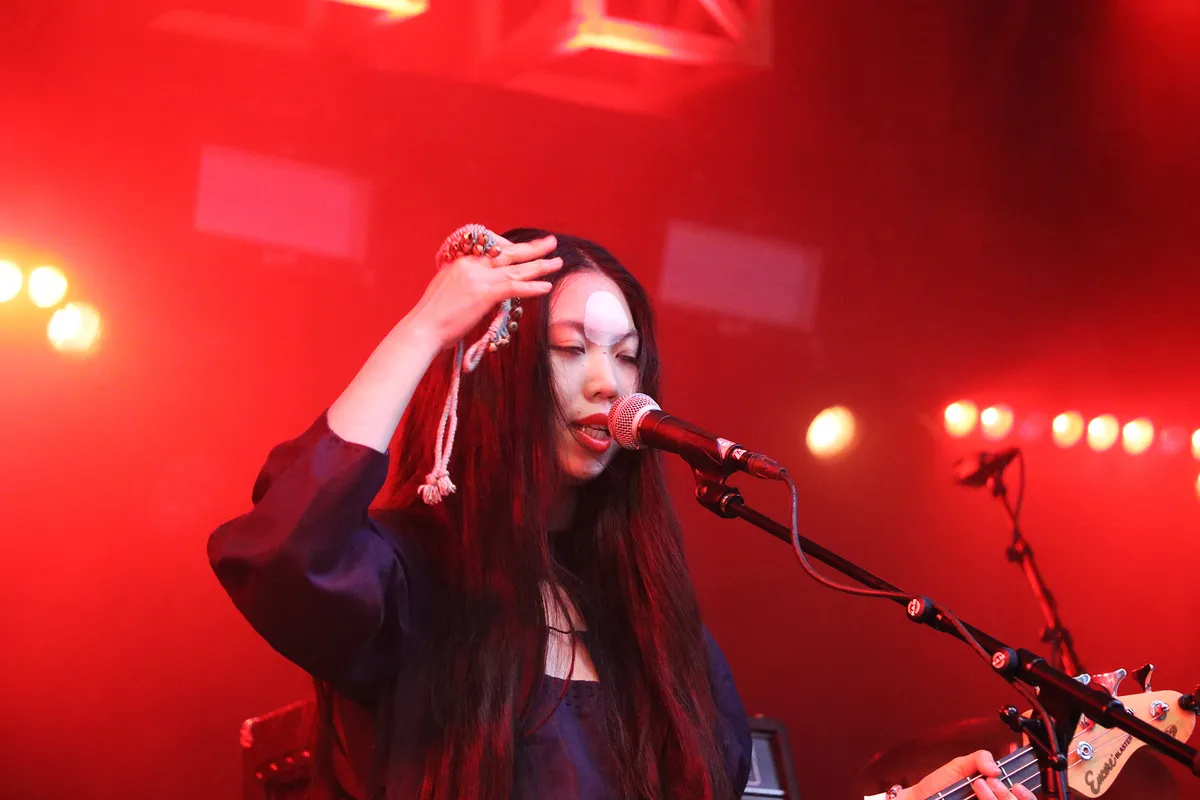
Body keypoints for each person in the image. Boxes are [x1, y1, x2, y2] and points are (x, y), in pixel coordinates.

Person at [208, 227, 1035, 800]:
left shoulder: (654, 625)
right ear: (497, 370)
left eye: (628, 356)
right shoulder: (406, 578)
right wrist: (426, 328)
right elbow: (281, 551)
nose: (610, 383)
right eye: (572, 350)